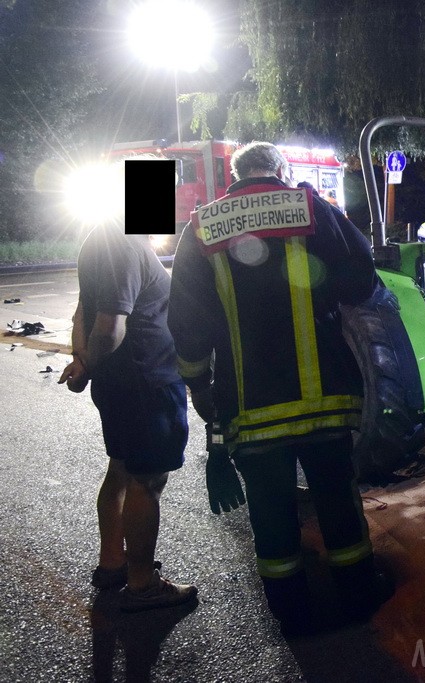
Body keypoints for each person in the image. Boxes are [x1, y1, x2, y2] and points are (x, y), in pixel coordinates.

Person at [167, 141, 388, 635]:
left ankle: (293, 615)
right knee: (336, 500)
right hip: (325, 400)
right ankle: (357, 596)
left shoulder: (202, 227)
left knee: (270, 513)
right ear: (282, 172)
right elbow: (361, 280)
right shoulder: (311, 208)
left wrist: (199, 385)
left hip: (251, 406)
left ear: (236, 176)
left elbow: (187, 320)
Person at [58, 169, 197, 612]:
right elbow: (110, 326)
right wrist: (88, 363)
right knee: (146, 481)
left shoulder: (98, 239)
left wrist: (82, 361)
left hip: (121, 383)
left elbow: (83, 307)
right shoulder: (124, 242)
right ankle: (141, 582)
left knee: (119, 469)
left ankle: (112, 563)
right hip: (146, 382)